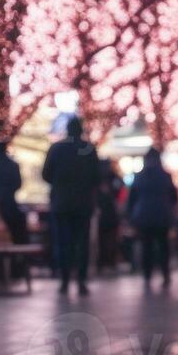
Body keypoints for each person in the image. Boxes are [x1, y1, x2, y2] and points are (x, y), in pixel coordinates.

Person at [42, 116, 101, 294]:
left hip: (61, 203)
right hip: (83, 204)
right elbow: (96, 177)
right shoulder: (88, 149)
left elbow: (46, 174)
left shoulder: (57, 148)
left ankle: (65, 280)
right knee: (81, 242)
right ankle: (81, 280)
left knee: (63, 242)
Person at [127, 148, 178, 286]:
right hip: (162, 216)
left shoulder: (139, 176)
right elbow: (174, 197)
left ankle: (147, 275)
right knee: (163, 246)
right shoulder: (165, 176)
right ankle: (165, 274)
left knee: (147, 247)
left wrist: (131, 217)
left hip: (144, 216)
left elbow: (132, 200)